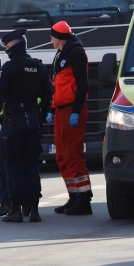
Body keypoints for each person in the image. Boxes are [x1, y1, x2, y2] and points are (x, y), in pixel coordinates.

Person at [0, 29, 52, 223]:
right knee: (31, 165)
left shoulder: (9, 68)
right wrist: (39, 114)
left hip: (13, 123)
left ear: (15, 46)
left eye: (8, 46)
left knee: (13, 164)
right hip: (32, 121)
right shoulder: (39, 67)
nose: (6, 50)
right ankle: (34, 209)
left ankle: (15, 210)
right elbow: (48, 96)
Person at [46, 21, 92, 215]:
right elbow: (58, 86)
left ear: (59, 37)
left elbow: (82, 85)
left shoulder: (76, 53)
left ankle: (83, 199)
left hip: (72, 110)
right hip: (60, 109)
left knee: (73, 153)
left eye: (52, 36)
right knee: (62, 154)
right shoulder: (60, 54)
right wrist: (51, 108)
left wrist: (76, 110)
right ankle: (73, 195)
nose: (50, 39)